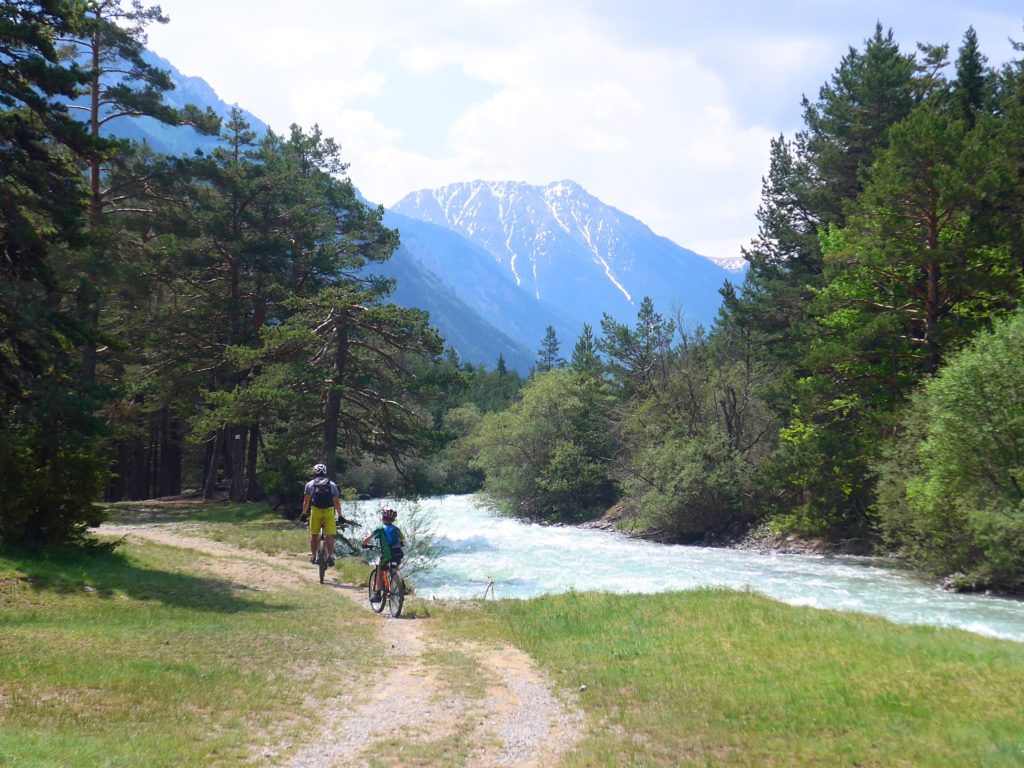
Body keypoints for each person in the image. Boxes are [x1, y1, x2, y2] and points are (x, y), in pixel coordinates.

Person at [300, 463, 346, 566]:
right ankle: (330, 556)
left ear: (314, 472)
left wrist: (303, 514)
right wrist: (340, 515)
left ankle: (313, 556)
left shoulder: (309, 484)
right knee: (329, 535)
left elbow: (306, 501)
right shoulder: (332, 485)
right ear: (325, 472)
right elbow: (336, 502)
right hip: (329, 511)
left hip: (316, 510)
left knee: (314, 534)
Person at [362, 507, 405, 601]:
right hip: (398, 554)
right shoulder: (396, 529)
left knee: (380, 571)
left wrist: (364, 544)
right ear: (393, 519)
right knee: (395, 566)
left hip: (387, 554)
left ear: (383, 518)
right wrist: (401, 543)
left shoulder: (380, 529)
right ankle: (402, 586)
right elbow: (402, 540)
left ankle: (377, 593)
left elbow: (367, 539)